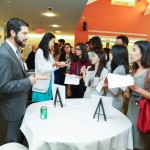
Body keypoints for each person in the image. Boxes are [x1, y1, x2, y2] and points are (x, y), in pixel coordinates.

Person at [0, 18, 39, 143]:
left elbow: (17, 74)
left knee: (19, 140)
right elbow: (3, 86)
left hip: (19, 105)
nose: (27, 37)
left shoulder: (15, 50)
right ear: (12, 33)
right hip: (12, 109)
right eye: (24, 33)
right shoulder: (4, 54)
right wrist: (28, 81)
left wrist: (32, 76)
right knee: (12, 142)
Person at [125, 41, 150, 150]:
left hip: (143, 110)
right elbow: (127, 96)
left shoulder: (148, 71)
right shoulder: (134, 70)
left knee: (139, 142)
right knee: (130, 139)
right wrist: (127, 87)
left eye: (134, 50)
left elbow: (138, 90)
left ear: (143, 53)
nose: (131, 53)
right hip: (131, 107)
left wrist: (137, 89)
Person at [32, 33, 66, 102]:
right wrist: (54, 64)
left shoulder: (49, 52)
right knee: (40, 107)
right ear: (47, 40)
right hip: (41, 84)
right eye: (52, 42)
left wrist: (58, 65)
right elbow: (40, 69)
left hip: (49, 83)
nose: (53, 44)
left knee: (48, 105)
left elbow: (52, 66)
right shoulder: (39, 51)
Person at [106, 45, 129, 111]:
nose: (109, 54)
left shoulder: (118, 70)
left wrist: (106, 81)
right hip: (115, 100)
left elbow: (115, 91)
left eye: (111, 53)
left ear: (117, 54)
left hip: (113, 102)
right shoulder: (120, 67)